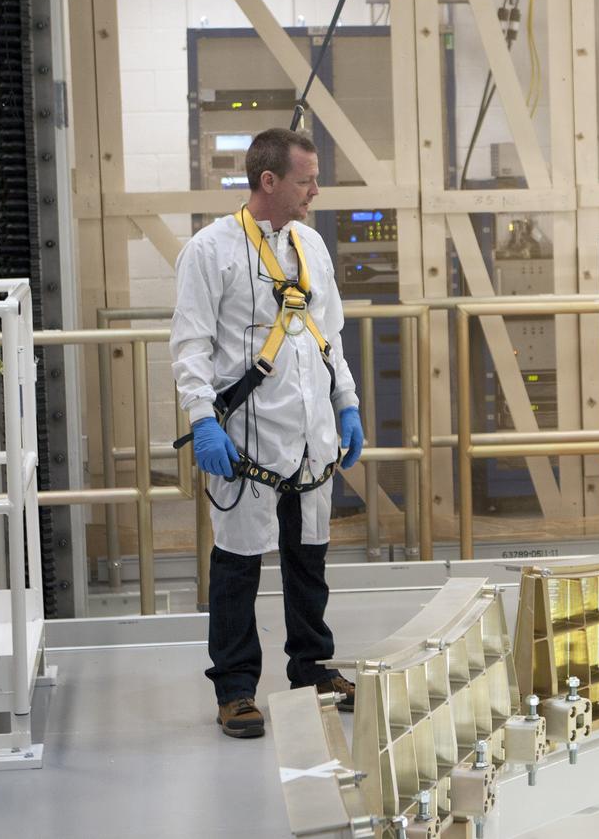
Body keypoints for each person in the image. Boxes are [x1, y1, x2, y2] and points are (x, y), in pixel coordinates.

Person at [170, 128, 365, 739]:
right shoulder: (211, 251)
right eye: (306, 180)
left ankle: (311, 669)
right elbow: (191, 345)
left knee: (309, 558)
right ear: (269, 182)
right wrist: (203, 420)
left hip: (310, 437)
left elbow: (328, 334)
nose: (315, 191)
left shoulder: (310, 247)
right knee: (238, 565)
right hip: (246, 442)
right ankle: (234, 690)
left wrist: (347, 403)